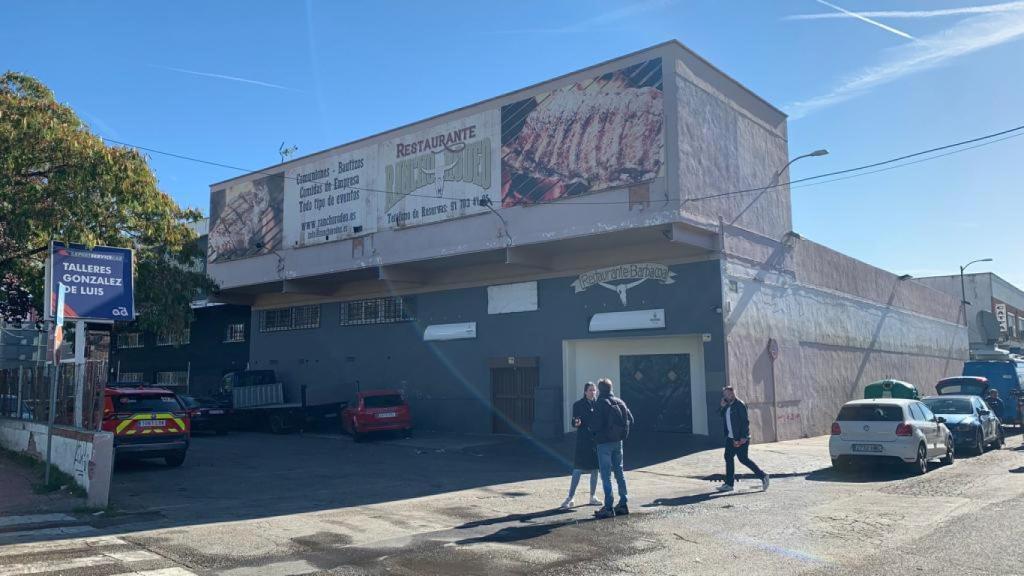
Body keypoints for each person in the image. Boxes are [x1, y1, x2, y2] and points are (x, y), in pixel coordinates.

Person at [591, 378, 634, 519]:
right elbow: (631, 420)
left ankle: (608, 507)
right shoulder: (620, 401)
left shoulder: (600, 403)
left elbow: (595, 425)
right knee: (619, 472)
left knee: (605, 475)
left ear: (600, 389)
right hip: (618, 442)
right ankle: (623, 503)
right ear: (610, 388)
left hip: (604, 443)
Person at [718, 386, 769, 493]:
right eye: (724, 395)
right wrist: (722, 407)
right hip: (731, 438)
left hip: (740, 438)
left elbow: (745, 422)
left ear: (732, 393)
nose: (725, 396)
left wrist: (743, 438)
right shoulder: (727, 405)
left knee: (743, 459)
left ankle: (763, 476)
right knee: (728, 457)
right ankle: (729, 484)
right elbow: (722, 416)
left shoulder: (740, 405)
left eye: (727, 394)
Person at [561, 382, 601, 509]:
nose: (593, 392)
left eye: (594, 390)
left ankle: (592, 497)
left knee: (595, 469)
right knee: (577, 469)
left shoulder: (599, 404)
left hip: (595, 441)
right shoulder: (578, 405)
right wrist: (576, 422)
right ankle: (570, 497)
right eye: (590, 390)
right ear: (585, 392)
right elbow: (574, 421)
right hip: (583, 441)